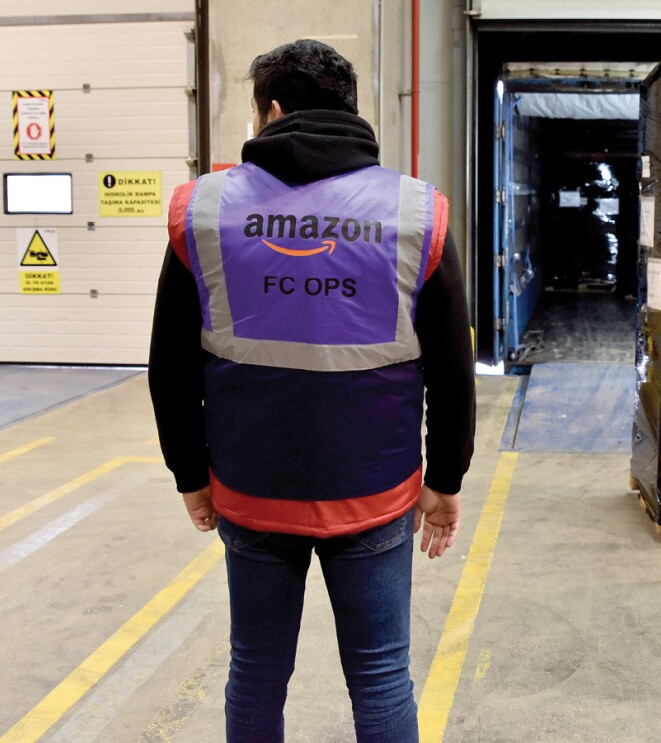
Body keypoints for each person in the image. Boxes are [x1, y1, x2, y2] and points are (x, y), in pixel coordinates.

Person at [147, 39, 476, 741]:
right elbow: (452, 365)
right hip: (376, 489)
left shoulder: (204, 210)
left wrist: (189, 475)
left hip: (250, 485)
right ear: (348, 110)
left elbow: (168, 365)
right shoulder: (415, 212)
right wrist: (444, 477)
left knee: (257, 669)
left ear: (270, 111)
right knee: (383, 675)